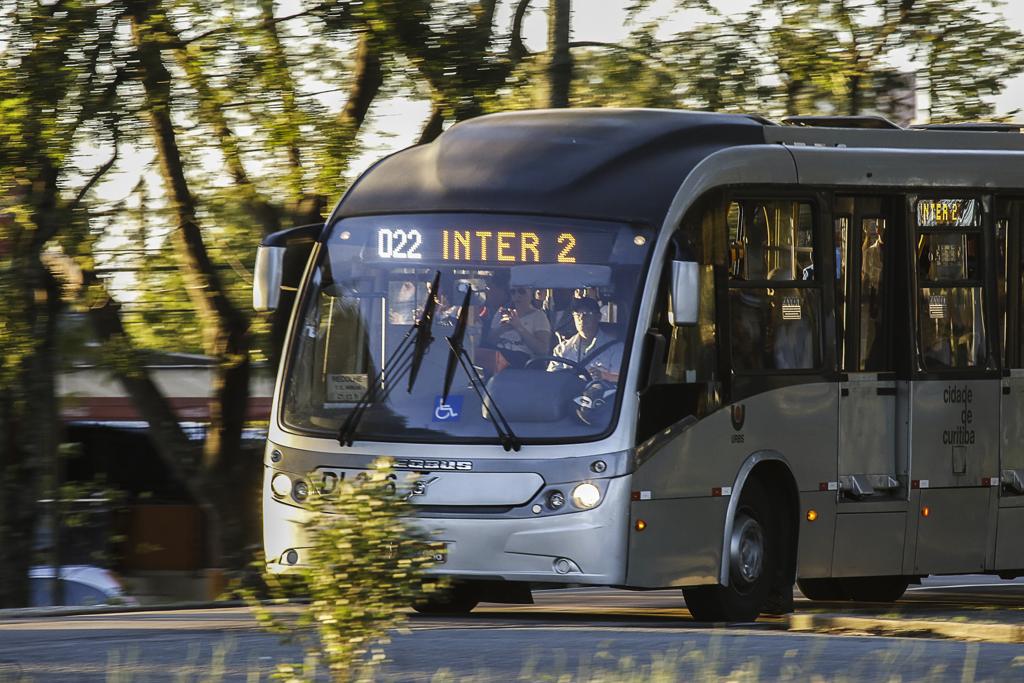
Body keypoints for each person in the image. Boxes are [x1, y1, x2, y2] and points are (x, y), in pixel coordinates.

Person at [548, 297, 622, 381]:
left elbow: (623, 381)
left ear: (598, 317)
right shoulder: (561, 349)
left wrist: (604, 376)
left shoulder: (615, 348)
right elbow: (551, 380)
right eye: (577, 314)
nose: (582, 318)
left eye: (587, 313)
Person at [484, 284, 551, 368]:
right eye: (513, 292)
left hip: (523, 361)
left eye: (521, 292)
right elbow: (489, 341)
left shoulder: (539, 316)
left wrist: (519, 327)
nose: (517, 295)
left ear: (531, 294)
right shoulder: (502, 313)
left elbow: (542, 350)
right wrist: (502, 328)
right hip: (498, 356)